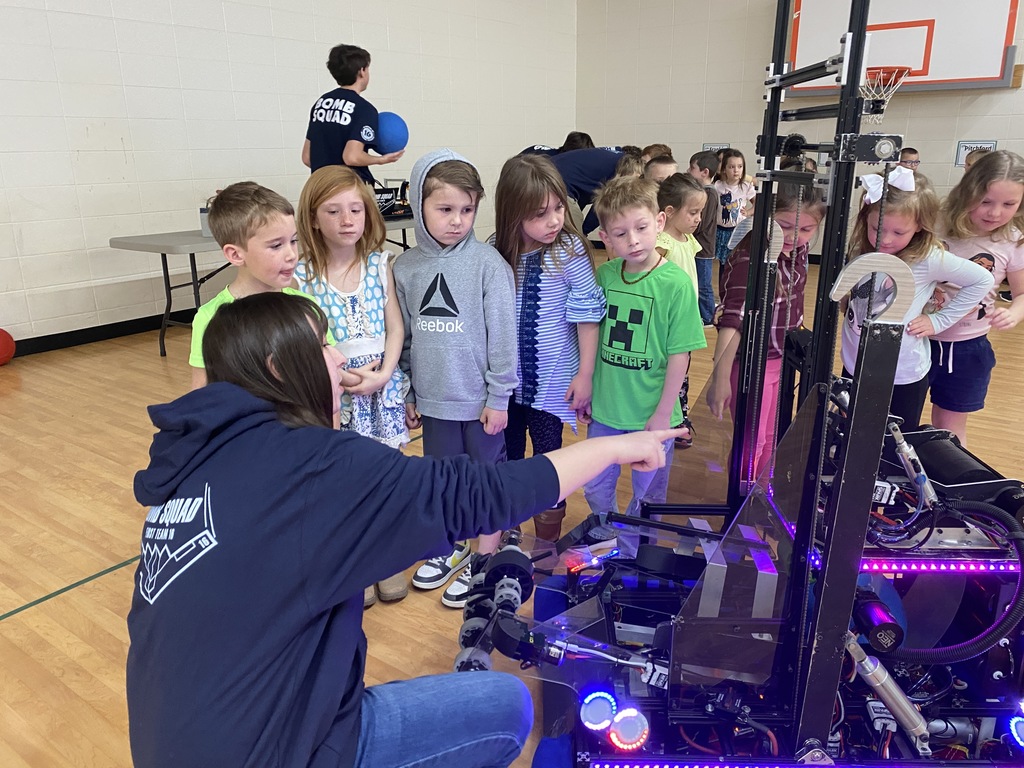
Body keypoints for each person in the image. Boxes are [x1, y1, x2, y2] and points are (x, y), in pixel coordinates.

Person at [126, 290, 680, 768]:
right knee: (505, 706)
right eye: (322, 345)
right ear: (277, 369)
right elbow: (485, 498)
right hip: (276, 751)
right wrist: (613, 446)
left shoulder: (194, 466)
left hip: (178, 742)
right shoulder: (310, 467)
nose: (339, 356)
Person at [393, 148, 518, 609]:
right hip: (433, 400)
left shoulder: (488, 265)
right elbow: (402, 338)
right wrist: (408, 390)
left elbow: (503, 337)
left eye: (467, 210)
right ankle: (450, 547)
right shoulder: (404, 268)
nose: (457, 221)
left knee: (485, 481)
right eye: (445, 209)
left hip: (481, 401)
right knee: (442, 480)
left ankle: (485, 557)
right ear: (418, 205)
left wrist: (500, 396)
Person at [294, 166, 411, 606]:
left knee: (385, 477)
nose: (347, 219)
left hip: (382, 389)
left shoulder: (382, 264)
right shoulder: (302, 277)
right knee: (344, 483)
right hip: (338, 392)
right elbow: (312, 340)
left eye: (356, 209)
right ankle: (356, 564)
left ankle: (388, 559)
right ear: (313, 219)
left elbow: (396, 328)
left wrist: (384, 375)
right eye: (333, 210)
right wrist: (344, 379)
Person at [584, 177, 706, 544]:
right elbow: (590, 339)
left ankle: (638, 547)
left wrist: (663, 412)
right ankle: (606, 534)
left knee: (648, 493)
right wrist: (587, 387)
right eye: (620, 233)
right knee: (594, 484)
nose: (633, 240)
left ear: (659, 223)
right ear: (605, 238)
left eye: (640, 228)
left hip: (653, 414)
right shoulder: (604, 276)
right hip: (607, 410)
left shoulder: (676, 283)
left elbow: (679, 354)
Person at [490, 154, 606, 541]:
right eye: (541, 213)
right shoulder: (495, 253)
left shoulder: (569, 250)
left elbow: (588, 316)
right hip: (504, 389)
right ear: (513, 213)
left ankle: (545, 542)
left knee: (549, 462)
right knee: (506, 460)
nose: (555, 220)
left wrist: (585, 375)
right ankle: (510, 535)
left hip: (551, 387)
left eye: (559, 207)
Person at [840, 168, 993, 430]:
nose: (885, 239)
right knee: (850, 433)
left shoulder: (928, 258)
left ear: (919, 227)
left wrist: (938, 321)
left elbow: (983, 280)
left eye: (899, 232)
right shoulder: (860, 249)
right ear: (866, 218)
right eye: (877, 228)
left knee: (893, 445)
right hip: (855, 366)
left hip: (902, 376)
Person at [707, 178, 826, 479]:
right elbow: (731, 322)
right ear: (764, 219)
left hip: (778, 359)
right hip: (750, 364)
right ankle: (742, 501)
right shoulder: (750, 260)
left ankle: (761, 494)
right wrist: (720, 380)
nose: (794, 236)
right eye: (785, 226)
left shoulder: (798, 249)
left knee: (771, 438)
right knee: (752, 442)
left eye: (806, 229)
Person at [188, 181, 332, 391]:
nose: (292, 255)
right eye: (276, 245)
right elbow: (202, 392)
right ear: (235, 254)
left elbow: (327, 376)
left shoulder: (305, 307)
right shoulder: (210, 318)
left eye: (293, 241)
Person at [929, 150, 1024, 445]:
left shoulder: (1013, 239)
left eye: (1009, 204)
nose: (995, 213)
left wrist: (1015, 312)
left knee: (950, 427)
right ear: (968, 190)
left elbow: (1022, 293)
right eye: (986, 201)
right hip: (916, 339)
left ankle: (949, 487)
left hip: (968, 347)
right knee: (897, 418)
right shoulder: (935, 223)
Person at [655, 172, 708, 449]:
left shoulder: (688, 240)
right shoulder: (662, 243)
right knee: (674, 371)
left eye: (700, 212)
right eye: (693, 212)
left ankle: (679, 417)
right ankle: (675, 420)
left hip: (685, 317)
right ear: (669, 212)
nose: (698, 218)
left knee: (683, 370)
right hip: (668, 322)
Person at [301, 43, 404, 182]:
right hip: (350, 188)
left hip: (320, 187)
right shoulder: (364, 109)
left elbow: (307, 157)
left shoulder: (320, 104)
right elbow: (351, 157)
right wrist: (380, 160)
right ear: (362, 71)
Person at [688, 150, 721, 325]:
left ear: (705, 172)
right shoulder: (704, 192)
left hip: (703, 248)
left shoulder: (709, 193)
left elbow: (702, 223)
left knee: (703, 285)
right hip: (699, 247)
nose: (688, 171)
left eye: (692, 167)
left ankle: (708, 317)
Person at [713, 148, 757, 265]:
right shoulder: (717, 186)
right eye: (731, 167)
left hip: (738, 230)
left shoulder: (746, 186)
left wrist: (748, 212)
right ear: (724, 169)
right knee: (724, 262)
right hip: (721, 230)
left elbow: (757, 203)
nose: (736, 170)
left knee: (736, 261)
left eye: (740, 166)